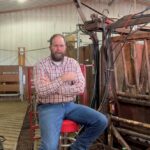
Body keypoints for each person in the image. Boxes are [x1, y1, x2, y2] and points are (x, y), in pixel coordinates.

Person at [33, 34, 108, 150]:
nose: (58, 48)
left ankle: (76, 148)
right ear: (50, 47)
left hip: (70, 105)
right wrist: (63, 79)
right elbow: (42, 91)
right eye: (55, 46)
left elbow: (80, 88)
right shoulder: (41, 65)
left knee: (101, 121)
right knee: (49, 147)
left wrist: (52, 86)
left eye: (61, 46)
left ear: (65, 47)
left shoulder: (72, 63)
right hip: (48, 107)